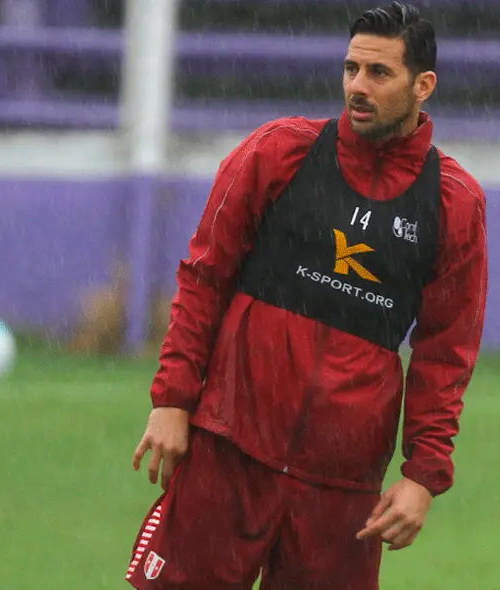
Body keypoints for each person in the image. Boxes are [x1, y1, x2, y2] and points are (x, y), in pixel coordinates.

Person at [126, 3, 487, 589]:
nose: (357, 87)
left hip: (341, 486)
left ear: (424, 86)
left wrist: (423, 476)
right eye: (351, 69)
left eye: (378, 74)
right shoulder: (278, 152)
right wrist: (173, 399)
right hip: (229, 450)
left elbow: (447, 354)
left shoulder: (453, 204)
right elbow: (204, 278)